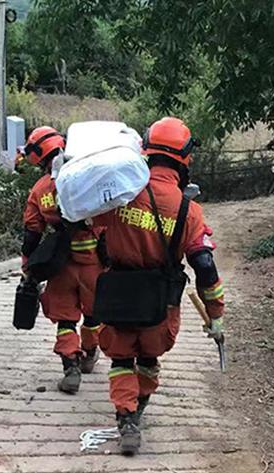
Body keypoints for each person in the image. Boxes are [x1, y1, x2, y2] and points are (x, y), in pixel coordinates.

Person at [91, 117, 226, 454]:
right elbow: (204, 265)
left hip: (118, 293)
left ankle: (126, 418)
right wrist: (216, 313)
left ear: (146, 152)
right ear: (184, 160)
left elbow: (91, 226)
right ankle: (139, 408)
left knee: (121, 360)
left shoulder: (120, 193)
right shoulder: (189, 210)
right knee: (148, 357)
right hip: (160, 302)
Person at [19, 126, 103, 393]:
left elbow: (32, 234)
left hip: (60, 265)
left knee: (66, 320)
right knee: (93, 315)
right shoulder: (90, 178)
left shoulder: (40, 190)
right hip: (95, 264)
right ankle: (89, 355)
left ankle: (71, 369)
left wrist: (27, 266)